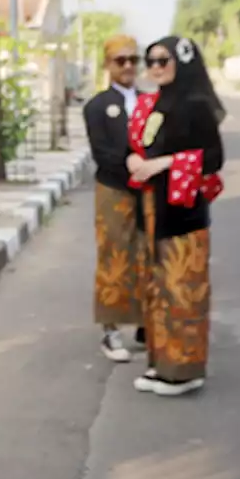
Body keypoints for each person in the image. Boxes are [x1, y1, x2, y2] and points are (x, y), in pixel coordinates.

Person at [126, 36, 226, 397]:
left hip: (183, 214)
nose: (154, 67)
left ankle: (184, 371)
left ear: (182, 62)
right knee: (157, 290)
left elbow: (213, 158)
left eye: (163, 60)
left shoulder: (196, 105)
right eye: (149, 60)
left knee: (183, 289)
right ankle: (160, 364)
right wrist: (134, 161)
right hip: (152, 210)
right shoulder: (152, 104)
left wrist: (163, 164)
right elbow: (137, 147)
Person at [82, 35, 148, 362]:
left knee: (147, 256)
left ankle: (144, 323)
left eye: (133, 60)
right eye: (120, 60)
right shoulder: (96, 107)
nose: (127, 67)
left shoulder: (151, 102)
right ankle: (110, 330)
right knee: (114, 258)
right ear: (108, 65)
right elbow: (103, 153)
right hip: (114, 190)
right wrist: (133, 171)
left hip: (149, 191)